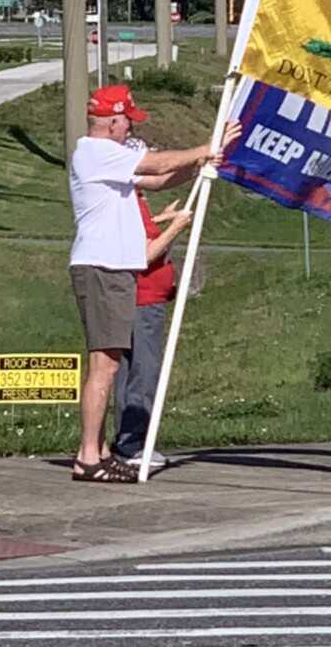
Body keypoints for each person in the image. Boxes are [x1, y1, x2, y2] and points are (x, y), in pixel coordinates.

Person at [69, 84, 241, 483]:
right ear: (112, 122)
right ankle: (88, 456)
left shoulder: (110, 160)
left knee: (108, 367)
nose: (130, 128)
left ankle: (97, 452)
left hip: (113, 268)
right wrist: (205, 146)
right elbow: (157, 163)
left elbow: (159, 179)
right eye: (127, 120)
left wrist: (199, 166)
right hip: (102, 267)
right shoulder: (96, 151)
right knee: (104, 368)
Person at [111, 185, 191, 470]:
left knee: (130, 369)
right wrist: (176, 228)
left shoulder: (135, 202)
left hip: (141, 297)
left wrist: (163, 222)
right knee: (144, 370)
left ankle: (126, 439)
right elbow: (145, 255)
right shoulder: (129, 200)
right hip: (143, 300)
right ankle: (131, 442)